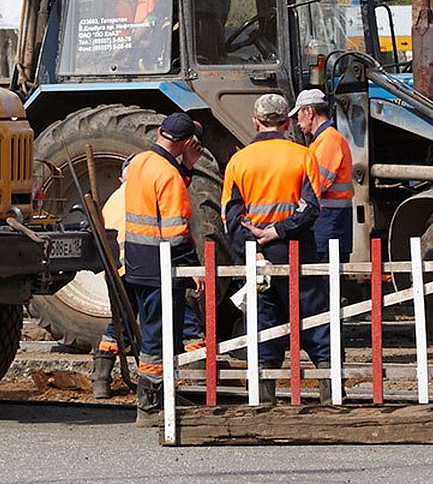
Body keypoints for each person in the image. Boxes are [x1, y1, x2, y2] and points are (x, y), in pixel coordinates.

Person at [222, 93, 326, 403]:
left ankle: (264, 398)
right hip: (297, 252)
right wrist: (277, 231)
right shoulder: (303, 156)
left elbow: (231, 218)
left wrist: (255, 245)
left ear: (255, 123)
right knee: (315, 322)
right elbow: (311, 209)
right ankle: (330, 393)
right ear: (286, 123)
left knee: (263, 324)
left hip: (258, 258)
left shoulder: (238, 161)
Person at [90, 154, 205, 400]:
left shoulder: (111, 201)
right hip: (142, 267)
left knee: (121, 324)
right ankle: (200, 370)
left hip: (117, 269)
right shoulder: (143, 195)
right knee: (179, 316)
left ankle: (100, 378)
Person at [122, 112, 205, 426]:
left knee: (154, 333)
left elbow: (155, 193)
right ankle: (150, 407)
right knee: (159, 337)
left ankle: (159, 397)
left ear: (160, 131)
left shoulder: (141, 162)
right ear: (184, 143)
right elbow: (175, 231)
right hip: (161, 267)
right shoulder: (169, 176)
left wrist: (186, 167)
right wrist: (194, 269)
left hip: (137, 262)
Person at [290, 88, 354, 260]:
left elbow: (315, 185)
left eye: (298, 116)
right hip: (330, 224)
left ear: (309, 111)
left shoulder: (328, 141)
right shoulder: (323, 140)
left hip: (329, 226)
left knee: (327, 282)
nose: (297, 123)